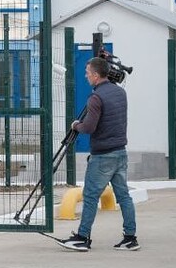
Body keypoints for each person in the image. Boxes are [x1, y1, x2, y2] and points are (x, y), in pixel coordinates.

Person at [59, 56, 138, 252]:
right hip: (120, 152)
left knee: (90, 196)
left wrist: (76, 125)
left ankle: (82, 237)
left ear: (95, 75)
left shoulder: (96, 98)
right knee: (124, 197)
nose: (86, 76)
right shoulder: (120, 92)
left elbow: (89, 127)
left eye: (87, 73)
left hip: (102, 155)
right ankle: (130, 238)